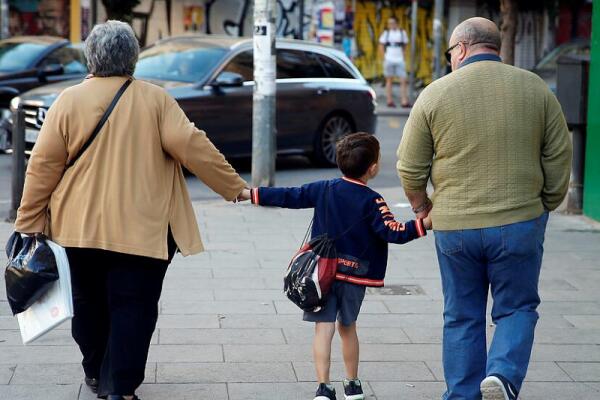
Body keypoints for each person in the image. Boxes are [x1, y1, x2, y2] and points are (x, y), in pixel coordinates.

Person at [14, 21, 247, 400]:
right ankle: (121, 387)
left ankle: (95, 371)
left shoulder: (67, 101)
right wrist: (234, 188)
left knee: (86, 305)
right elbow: (192, 145)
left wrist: (29, 221)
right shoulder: (155, 100)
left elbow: (42, 165)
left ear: (91, 56)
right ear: (133, 59)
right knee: (134, 309)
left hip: (78, 229)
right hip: (143, 231)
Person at [397, 17, 572, 400]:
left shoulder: (435, 94)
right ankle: (503, 376)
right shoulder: (535, 88)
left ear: (460, 49)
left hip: (455, 227)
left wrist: (423, 205)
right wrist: (547, 203)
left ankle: (462, 395)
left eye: (450, 53)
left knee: (461, 315)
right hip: (519, 220)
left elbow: (410, 167)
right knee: (517, 308)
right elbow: (559, 155)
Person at [240, 133, 430, 400]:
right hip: (356, 275)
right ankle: (352, 384)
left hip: (322, 275)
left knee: (323, 328)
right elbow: (393, 232)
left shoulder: (324, 188)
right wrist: (424, 224)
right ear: (373, 168)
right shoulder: (373, 200)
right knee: (347, 327)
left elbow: (289, 196)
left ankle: (323, 388)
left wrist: (252, 194)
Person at [378, 16, 410, 108]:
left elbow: (405, 45)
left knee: (403, 80)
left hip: (399, 59)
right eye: (389, 23)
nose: (390, 25)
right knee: (389, 81)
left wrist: (403, 56)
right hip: (389, 59)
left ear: (397, 23)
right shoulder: (386, 33)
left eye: (392, 23)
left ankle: (404, 101)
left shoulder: (402, 33)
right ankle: (389, 101)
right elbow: (381, 45)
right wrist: (384, 57)